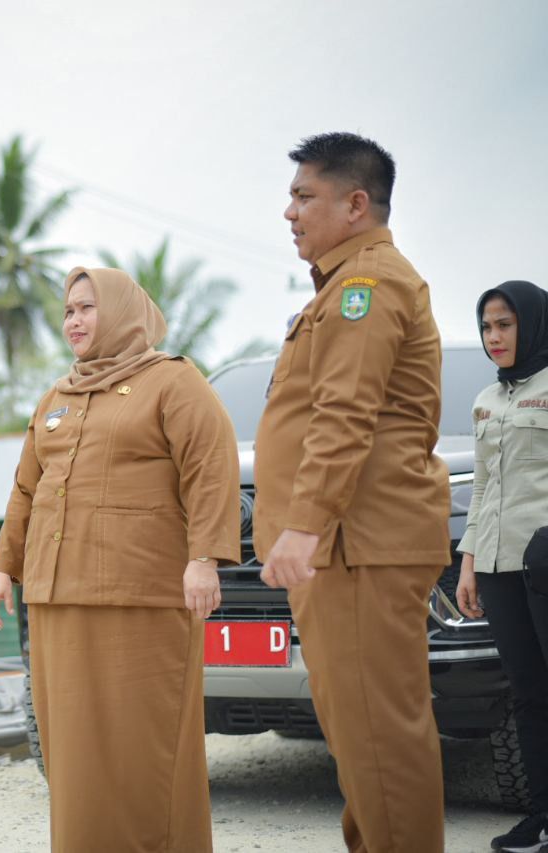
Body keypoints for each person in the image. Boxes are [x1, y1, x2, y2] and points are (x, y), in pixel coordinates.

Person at [0, 266, 240, 852]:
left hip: (139, 597)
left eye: (87, 308)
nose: (74, 320)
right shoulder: (56, 396)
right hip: (54, 599)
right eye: (68, 310)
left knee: (140, 747)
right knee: (73, 751)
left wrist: (205, 557)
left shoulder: (172, 382)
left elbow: (211, 465)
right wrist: (4, 570)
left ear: (123, 312)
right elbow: (27, 488)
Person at [253, 132, 451, 852]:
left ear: (356, 204)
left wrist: (303, 525)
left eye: (305, 195)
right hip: (346, 544)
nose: (290, 212)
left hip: (359, 542)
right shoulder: (344, 285)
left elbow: (345, 412)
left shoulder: (371, 285)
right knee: (360, 736)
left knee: (379, 736)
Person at [456, 280, 548, 853]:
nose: (495, 337)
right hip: (497, 564)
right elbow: (485, 487)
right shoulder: (487, 401)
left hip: (546, 560)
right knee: (528, 692)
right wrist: (468, 562)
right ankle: (541, 817)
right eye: (487, 326)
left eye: (505, 325)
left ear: (532, 325)